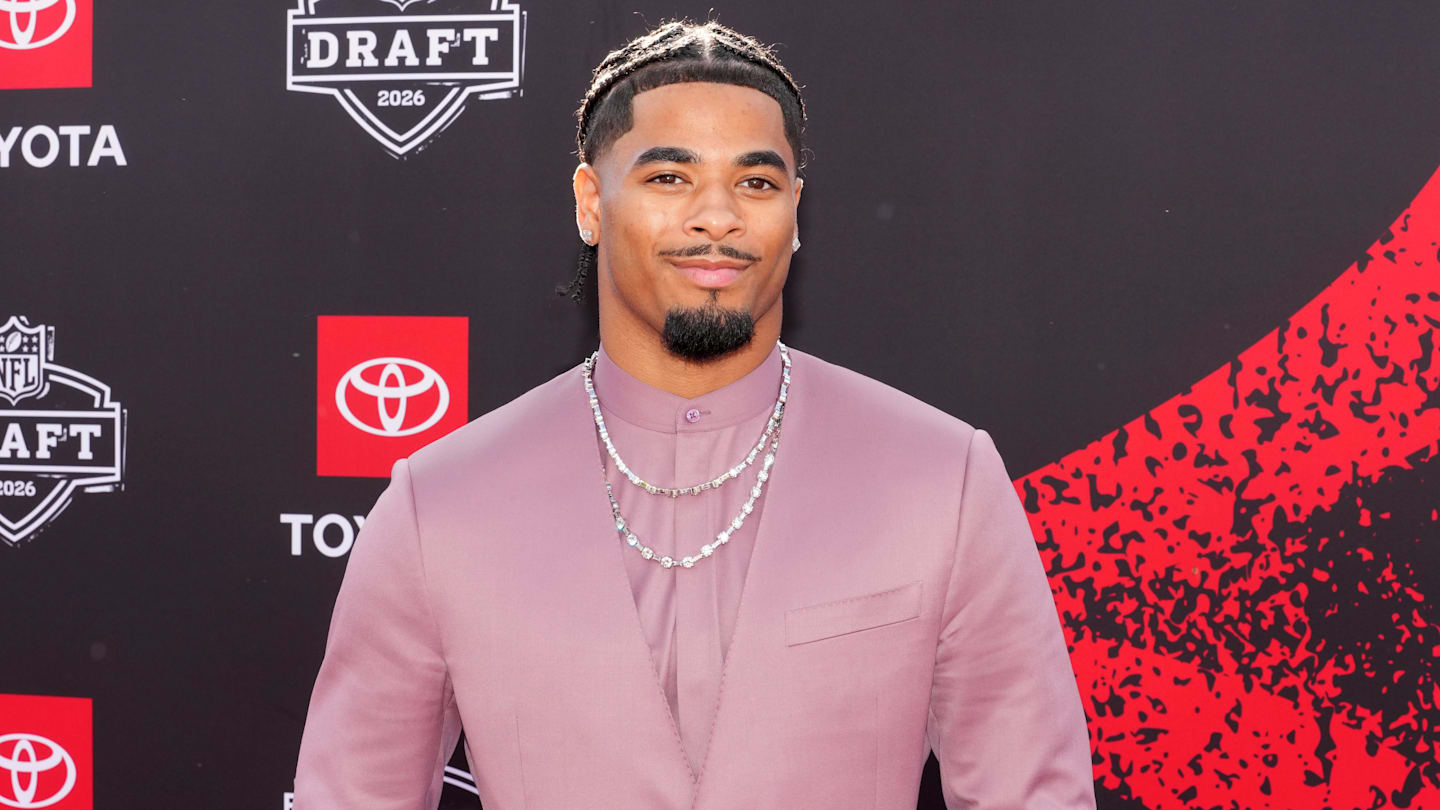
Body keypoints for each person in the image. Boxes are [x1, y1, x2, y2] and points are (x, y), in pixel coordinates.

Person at [294, 18, 1095, 809]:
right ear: (590, 203)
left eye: (756, 183)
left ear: (795, 211)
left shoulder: (943, 479)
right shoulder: (440, 505)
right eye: (669, 178)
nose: (718, 216)